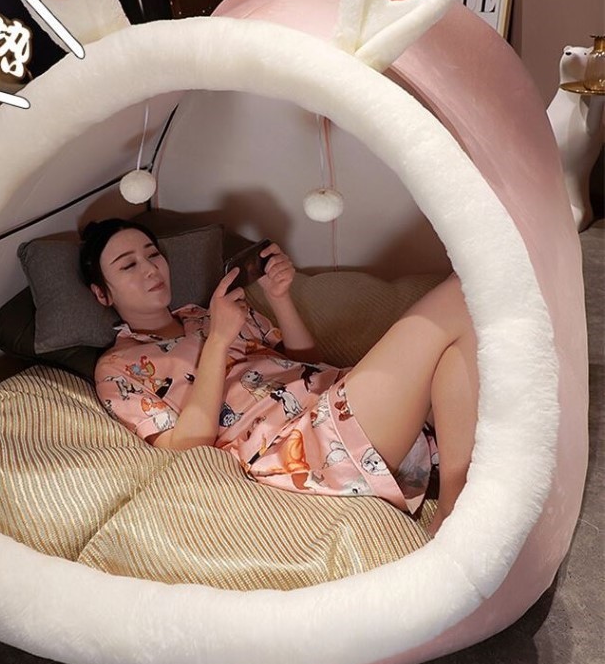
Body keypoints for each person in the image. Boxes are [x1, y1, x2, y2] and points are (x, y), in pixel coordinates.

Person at [80, 219, 479, 536]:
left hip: (333, 393)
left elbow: (306, 363)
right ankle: (452, 511)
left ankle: (457, 494)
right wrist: (218, 341)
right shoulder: (116, 367)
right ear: (102, 294)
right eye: (128, 265)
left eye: (153, 254)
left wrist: (280, 298)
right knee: (462, 292)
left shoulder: (205, 313)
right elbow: (185, 447)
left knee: (453, 346)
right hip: (300, 443)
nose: (150, 269)